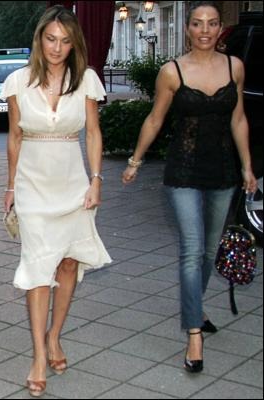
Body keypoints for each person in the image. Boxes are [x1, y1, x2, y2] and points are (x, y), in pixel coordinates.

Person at [122, 1, 256, 374]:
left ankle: (196, 307)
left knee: (209, 252)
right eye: (197, 23)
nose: (205, 30)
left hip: (223, 172)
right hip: (183, 171)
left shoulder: (235, 67)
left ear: (220, 28)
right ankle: (194, 332)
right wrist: (135, 160)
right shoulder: (172, 71)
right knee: (192, 250)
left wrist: (247, 166)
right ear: (188, 28)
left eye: (212, 23)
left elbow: (239, 118)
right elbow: (155, 119)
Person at [0, 5, 111, 396]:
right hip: (32, 184)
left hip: (72, 183)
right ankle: (37, 355)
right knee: (37, 267)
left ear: (74, 43)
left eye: (65, 40)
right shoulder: (17, 81)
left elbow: (93, 133)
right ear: (39, 40)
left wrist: (96, 180)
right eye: (50, 39)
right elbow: (14, 137)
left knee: (67, 263)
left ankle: (54, 336)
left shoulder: (87, 80)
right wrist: (10, 186)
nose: (57, 47)